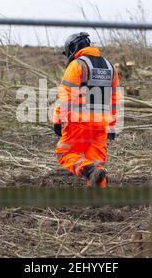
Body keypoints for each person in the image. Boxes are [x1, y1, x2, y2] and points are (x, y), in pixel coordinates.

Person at [53, 32, 121, 188]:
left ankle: (88, 170)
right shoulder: (110, 67)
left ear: (73, 49)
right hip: (101, 124)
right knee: (97, 163)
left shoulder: (77, 65)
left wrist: (57, 119)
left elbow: (66, 96)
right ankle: (98, 199)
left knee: (64, 153)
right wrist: (112, 126)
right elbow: (115, 100)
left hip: (79, 122)